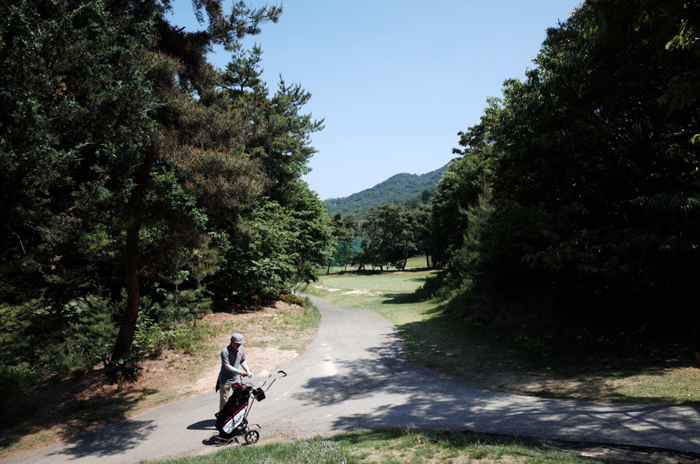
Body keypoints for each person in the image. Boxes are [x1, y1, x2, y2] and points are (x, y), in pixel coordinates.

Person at [217, 332, 253, 411]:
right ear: (231, 342)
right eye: (236, 344)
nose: (238, 346)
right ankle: (224, 416)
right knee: (224, 400)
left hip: (236, 378)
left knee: (239, 397)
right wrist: (240, 372)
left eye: (240, 344)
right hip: (225, 380)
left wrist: (247, 370)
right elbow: (227, 367)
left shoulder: (241, 349)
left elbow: (242, 361)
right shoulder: (225, 352)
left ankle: (236, 414)